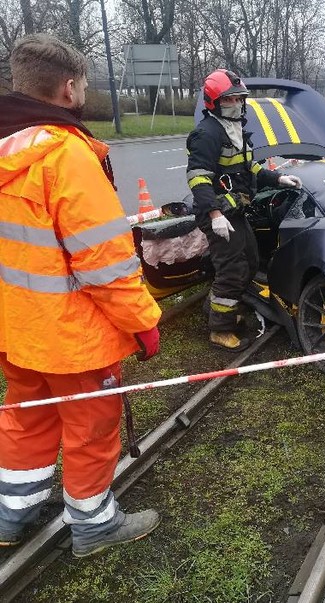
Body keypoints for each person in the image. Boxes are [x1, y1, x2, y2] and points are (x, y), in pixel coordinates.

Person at [0, 34, 162, 557]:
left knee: (27, 414)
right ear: (69, 88)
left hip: (16, 328)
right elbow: (105, 263)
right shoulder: (66, 155)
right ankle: (93, 523)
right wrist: (143, 321)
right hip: (73, 333)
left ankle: (11, 513)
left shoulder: (6, 147)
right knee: (91, 424)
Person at [187, 69, 302, 352]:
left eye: (240, 98)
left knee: (250, 261)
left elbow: (247, 167)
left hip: (234, 210)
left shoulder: (235, 128)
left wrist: (277, 178)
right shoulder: (206, 134)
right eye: (230, 99)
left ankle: (219, 308)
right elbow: (198, 178)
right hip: (217, 214)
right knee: (232, 269)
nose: (237, 103)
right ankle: (220, 329)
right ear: (214, 102)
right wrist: (214, 214)